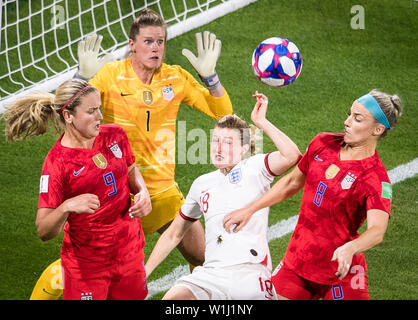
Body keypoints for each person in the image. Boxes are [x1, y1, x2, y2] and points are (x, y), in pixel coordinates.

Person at [30, 8, 233, 300]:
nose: (156, 48)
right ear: (131, 44)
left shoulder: (175, 79)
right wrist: (82, 75)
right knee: (79, 269)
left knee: (203, 257)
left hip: (160, 193)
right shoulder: (111, 76)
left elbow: (222, 113)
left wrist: (210, 77)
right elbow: (70, 107)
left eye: (161, 41)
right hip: (116, 193)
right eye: (149, 41)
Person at [223, 89, 403, 300]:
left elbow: (376, 231)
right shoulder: (323, 143)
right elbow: (291, 182)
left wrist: (350, 248)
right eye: (349, 114)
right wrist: (250, 209)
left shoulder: (375, 179)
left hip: (341, 270)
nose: (347, 122)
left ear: (377, 129)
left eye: (357, 118)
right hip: (298, 261)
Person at [3, 79, 152, 300]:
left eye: (99, 108)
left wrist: (142, 191)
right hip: (87, 268)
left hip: (129, 253)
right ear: (68, 116)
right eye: (91, 111)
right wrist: (67, 207)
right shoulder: (57, 164)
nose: (100, 116)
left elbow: (130, 169)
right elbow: (44, 230)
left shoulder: (115, 135)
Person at [145, 92, 302, 300]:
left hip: (249, 273)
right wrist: (144, 273)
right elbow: (174, 233)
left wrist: (261, 121)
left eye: (227, 143)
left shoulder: (255, 168)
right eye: (216, 140)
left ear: (244, 148)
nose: (218, 148)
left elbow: (292, 155)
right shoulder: (202, 184)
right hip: (210, 274)